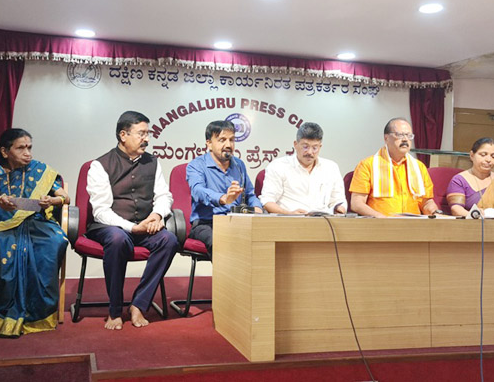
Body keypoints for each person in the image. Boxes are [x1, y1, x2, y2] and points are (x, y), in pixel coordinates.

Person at [0, 128, 69, 337]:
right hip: (0, 221)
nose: (27, 153)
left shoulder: (41, 170)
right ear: (5, 152)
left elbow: (65, 197)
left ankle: (38, 312)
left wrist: (52, 200)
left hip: (37, 222)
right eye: (21, 148)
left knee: (54, 242)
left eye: (29, 147)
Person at [86, 111, 178, 330]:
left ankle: (139, 304)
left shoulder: (153, 162)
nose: (147, 139)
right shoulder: (100, 165)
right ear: (123, 135)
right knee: (118, 240)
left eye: (148, 134)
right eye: (141, 134)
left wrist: (157, 215)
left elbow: (164, 196)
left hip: (144, 225)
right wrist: (132, 227)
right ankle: (115, 310)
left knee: (169, 240)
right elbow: (100, 210)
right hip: (111, 227)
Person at [187, 120, 262, 259]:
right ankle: (229, 274)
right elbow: (197, 191)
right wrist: (223, 198)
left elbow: (250, 195)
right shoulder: (196, 165)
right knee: (222, 241)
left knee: (264, 240)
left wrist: (257, 208)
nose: (228, 145)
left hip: (237, 221)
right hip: (207, 223)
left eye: (231, 140)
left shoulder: (239, 165)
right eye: (222, 140)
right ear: (209, 143)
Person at [349, 117, 438, 217]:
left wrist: (433, 211)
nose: (405, 139)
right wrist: (381, 218)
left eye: (409, 136)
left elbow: (426, 202)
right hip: (380, 223)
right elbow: (357, 203)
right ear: (386, 138)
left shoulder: (419, 167)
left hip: (413, 223)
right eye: (399, 135)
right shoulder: (367, 165)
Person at [260, 122, 347, 215]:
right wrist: (289, 213)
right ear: (295, 144)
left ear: (320, 147)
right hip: (289, 220)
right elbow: (267, 201)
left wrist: (340, 209)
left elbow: (338, 200)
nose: (309, 152)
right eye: (305, 147)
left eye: (315, 148)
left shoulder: (331, 168)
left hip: (323, 221)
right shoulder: (278, 166)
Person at [445, 137, 494, 217]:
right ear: (472, 155)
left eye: (493, 156)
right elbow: (456, 209)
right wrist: (473, 215)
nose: (488, 160)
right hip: (472, 222)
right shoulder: (459, 180)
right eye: (483, 155)